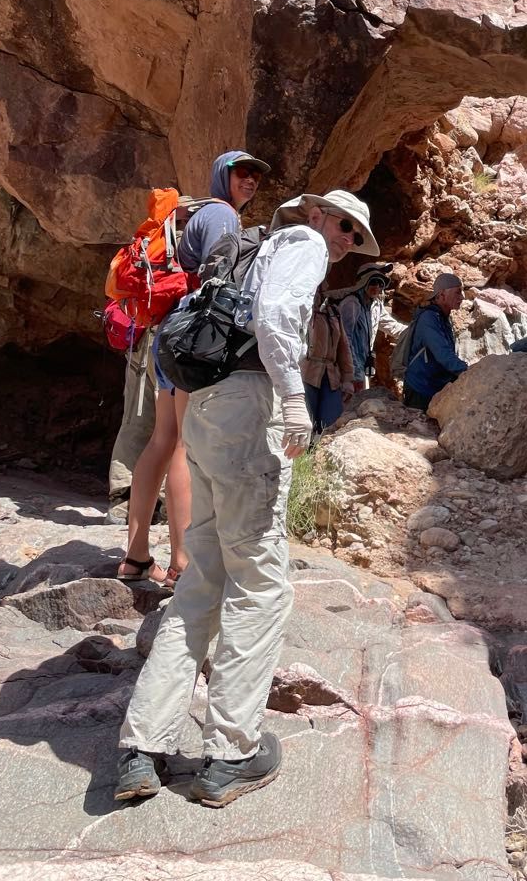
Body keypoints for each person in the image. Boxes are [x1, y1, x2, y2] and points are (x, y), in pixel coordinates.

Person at [115, 188, 379, 808]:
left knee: (203, 577)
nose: (342, 240)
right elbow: (279, 316)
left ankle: (142, 747)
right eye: (342, 225)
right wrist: (293, 400)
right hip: (249, 412)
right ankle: (232, 752)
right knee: (261, 584)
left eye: (353, 236)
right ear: (314, 214)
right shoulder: (303, 243)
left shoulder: (253, 248)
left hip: (207, 410)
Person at [115, 152, 269, 586]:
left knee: (162, 440)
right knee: (184, 444)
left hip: (169, 335)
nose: (251, 180)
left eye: (255, 175)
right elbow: (218, 281)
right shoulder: (222, 216)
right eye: (242, 173)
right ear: (223, 175)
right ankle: (183, 563)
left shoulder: (198, 214)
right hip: (192, 340)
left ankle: (137, 555)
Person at [401, 272, 469, 413]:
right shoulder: (429, 318)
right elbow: (442, 352)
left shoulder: (442, 316)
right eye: (457, 292)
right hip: (420, 389)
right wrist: (466, 371)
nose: (462, 297)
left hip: (432, 386)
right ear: (441, 295)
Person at [301, 284, 356, 438]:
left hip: (330, 375)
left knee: (332, 424)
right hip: (305, 373)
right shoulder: (302, 310)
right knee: (305, 423)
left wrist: (347, 379)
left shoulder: (332, 312)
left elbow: (343, 347)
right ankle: (302, 460)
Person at [338, 262, 399, 389]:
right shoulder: (351, 304)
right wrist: (351, 370)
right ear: (363, 282)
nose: (377, 287)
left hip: (362, 367)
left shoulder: (375, 305)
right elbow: (344, 339)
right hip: (347, 370)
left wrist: (417, 331)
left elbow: (392, 327)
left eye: (381, 283)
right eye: (373, 282)